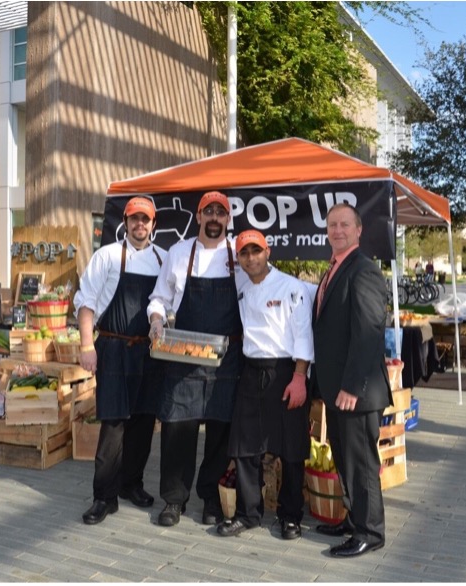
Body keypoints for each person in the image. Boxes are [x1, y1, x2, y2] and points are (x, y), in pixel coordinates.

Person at [147, 191, 247, 527]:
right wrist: (157, 321)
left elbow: (258, 295)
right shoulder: (179, 253)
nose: (215, 218)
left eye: (221, 213)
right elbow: (159, 298)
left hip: (226, 357)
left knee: (220, 434)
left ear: (228, 219)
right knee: (178, 429)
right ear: (199, 216)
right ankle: (174, 500)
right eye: (209, 212)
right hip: (183, 353)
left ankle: (211, 501)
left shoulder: (240, 256)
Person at [215, 230, 313, 540]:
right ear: (239, 259)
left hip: (285, 371)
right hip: (250, 371)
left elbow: (303, 335)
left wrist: (299, 378)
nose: (250, 258)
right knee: (244, 446)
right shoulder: (242, 287)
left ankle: (291, 515)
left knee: (292, 448)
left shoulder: (291, 287)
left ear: (267, 252)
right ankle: (249, 513)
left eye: (256, 251)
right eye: (244, 253)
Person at [75, 197, 167, 525]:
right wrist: (87, 345)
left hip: (150, 351)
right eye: (134, 219)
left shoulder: (163, 259)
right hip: (113, 347)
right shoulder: (108, 256)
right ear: (125, 223)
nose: (140, 224)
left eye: (146, 219)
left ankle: (131, 484)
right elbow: (85, 303)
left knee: (143, 423)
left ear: (153, 224)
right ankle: (104, 496)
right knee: (113, 425)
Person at [311, 203, 392, 557]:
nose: (337, 230)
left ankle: (370, 533)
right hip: (338, 389)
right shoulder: (335, 269)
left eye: (345, 224)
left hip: (355, 391)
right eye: (332, 225)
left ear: (358, 230)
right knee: (345, 459)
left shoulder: (364, 271)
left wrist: (351, 386)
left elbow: (369, 331)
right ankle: (353, 518)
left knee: (361, 464)